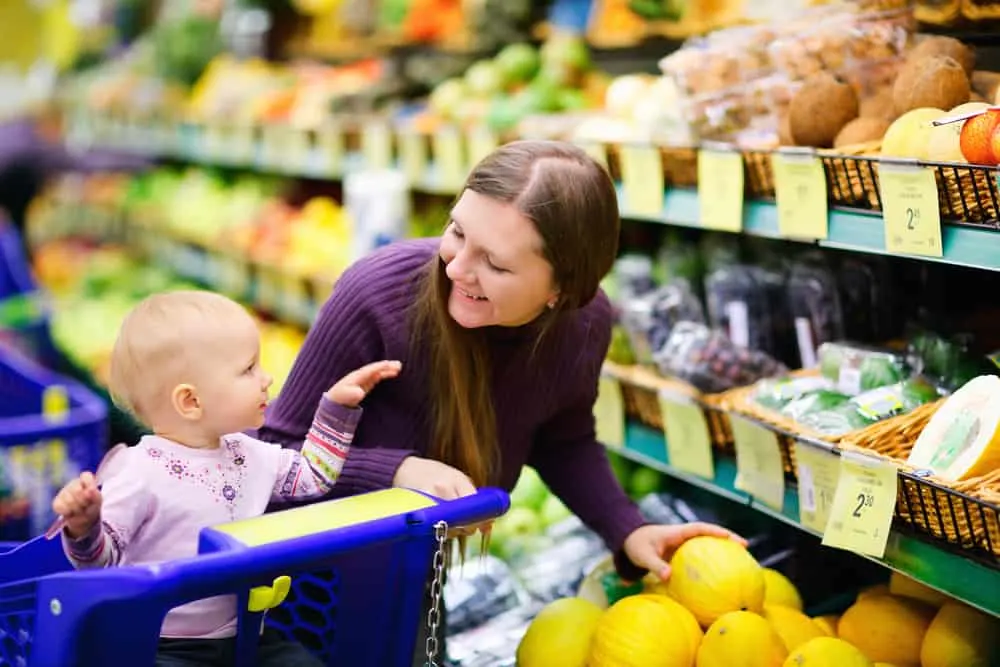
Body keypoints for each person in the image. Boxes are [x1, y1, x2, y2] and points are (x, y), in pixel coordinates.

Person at [258, 140, 746, 656]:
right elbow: (274, 452)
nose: (455, 268)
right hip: (302, 587)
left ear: (560, 288)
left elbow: (563, 438)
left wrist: (627, 529)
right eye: (456, 231)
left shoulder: (583, 325)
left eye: (494, 262)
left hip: (415, 575)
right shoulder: (377, 294)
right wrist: (397, 474)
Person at [51, 290, 401, 667]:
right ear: (191, 401)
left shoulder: (248, 452)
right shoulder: (137, 473)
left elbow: (313, 477)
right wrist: (84, 526)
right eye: (248, 369)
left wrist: (336, 409)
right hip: (160, 645)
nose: (266, 378)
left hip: (249, 633)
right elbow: (100, 564)